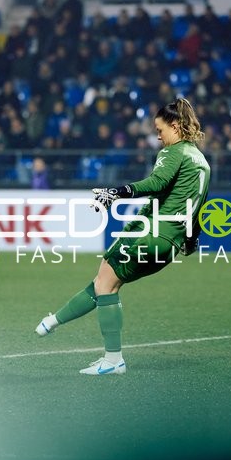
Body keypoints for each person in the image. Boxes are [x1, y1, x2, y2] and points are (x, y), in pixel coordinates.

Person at [34, 99, 210, 375]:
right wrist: (189, 241)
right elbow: (195, 210)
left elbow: (156, 182)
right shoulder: (201, 161)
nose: (158, 136)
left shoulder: (172, 153)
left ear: (175, 125)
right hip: (168, 246)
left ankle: (113, 359)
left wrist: (117, 192)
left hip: (150, 234)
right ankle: (53, 322)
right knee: (106, 281)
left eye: (160, 129)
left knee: (106, 281)